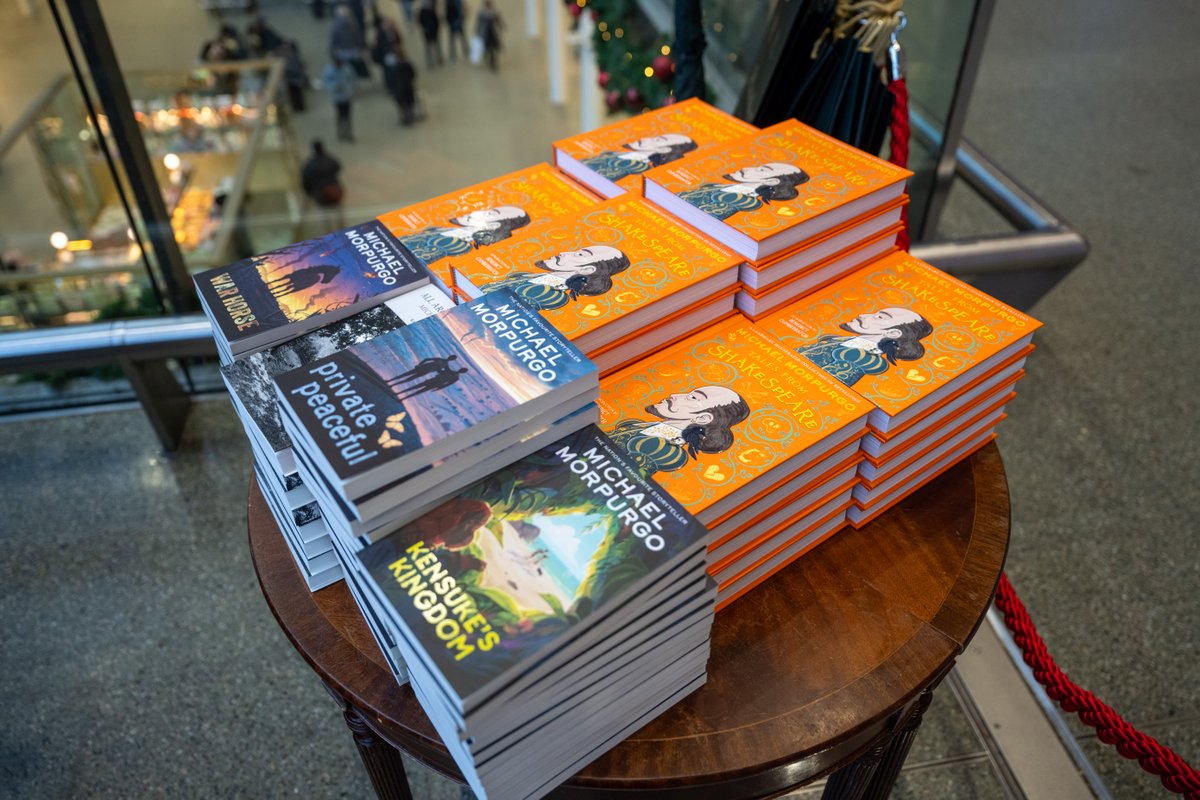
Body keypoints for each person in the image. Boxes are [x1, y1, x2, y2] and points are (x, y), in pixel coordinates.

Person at [606, 386, 751, 478]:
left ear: (702, 418)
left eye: (693, 397)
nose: (675, 394)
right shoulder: (648, 426)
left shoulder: (665, 450)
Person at [794, 307, 934, 387]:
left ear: (892, 333)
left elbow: (819, 387)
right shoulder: (840, 340)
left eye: (880, 318)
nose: (863, 314)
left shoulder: (862, 359)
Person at [479, 245, 630, 311]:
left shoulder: (551, 295)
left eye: (579, 255)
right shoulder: (529, 275)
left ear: (587, 269)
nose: (565, 252)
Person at [678, 162, 811, 221]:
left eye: (762, 170)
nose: (748, 168)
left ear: (772, 181)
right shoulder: (717, 186)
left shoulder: (745, 201)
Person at [399, 206, 530, 262]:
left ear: (495, 225)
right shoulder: (438, 229)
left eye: (489, 213)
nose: (476, 212)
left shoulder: (458, 246)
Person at [580, 134, 698, 183]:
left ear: (665, 150)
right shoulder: (615, 153)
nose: (647, 138)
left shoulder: (637, 169)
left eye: (657, 140)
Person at [301, 139, 346, 233]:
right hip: (334, 192)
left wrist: (309, 193)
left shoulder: (311, 164)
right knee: (338, 212)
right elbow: (338, 167)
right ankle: (341, 228)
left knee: (326, 215)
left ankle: (329, 231)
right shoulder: (330, 159)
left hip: (321, 195)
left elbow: (306, 181)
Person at [322, 57, 357, 142]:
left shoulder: (347, 69)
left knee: (347, 116)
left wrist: (352, 90)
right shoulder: (329, 70)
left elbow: (353, 79)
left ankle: (348, 133)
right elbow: (326, 82)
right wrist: (334, 87)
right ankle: (341, 133)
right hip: (337, 97)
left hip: (347, 96)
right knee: (340, 116)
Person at [329, 3, 369, 78]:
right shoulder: (352, 23)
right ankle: (358, 76)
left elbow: (333, 40)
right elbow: (358, 36)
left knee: (349, 67)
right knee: (356, 65)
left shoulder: (336, 26)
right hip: (353, 49)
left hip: (345, 50)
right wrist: (362, 46)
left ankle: (353, 78)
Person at [382, 46, 419, 126]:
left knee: (402, 105)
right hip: (408, 87)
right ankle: (410, 116)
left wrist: (391, 88)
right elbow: (413, 74)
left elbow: (391, 79)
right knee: (409, 103)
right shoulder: (408, 64)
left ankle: (405, 117)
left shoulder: (393, 68)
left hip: (399, 90)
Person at [278, 40, 310, 112]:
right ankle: (297, 108)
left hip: (294, 79)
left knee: (297, 94)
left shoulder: (291, 56)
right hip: (291, 79)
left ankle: (300, 107)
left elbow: (296, 67)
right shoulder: (289, 56)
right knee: (294, 95)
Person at [475, 0, 503, 70]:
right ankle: (490, 59)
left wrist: (501, 26)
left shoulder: (492, 13)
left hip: (492, 34)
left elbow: (498, 21)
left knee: (492, 49)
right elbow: (479, 24)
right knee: (489, 48)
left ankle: (492, 62)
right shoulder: (483, 14)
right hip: (487, 34)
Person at [417, 0, 443, 67]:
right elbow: (420, 22)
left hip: (433, 31)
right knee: (429, 47)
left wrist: (436, 28)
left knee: (436, 46)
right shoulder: (422, 12)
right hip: (427, 32)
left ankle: (438, 58)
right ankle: (430, 62)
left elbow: (436, 21)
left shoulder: (431, 11)